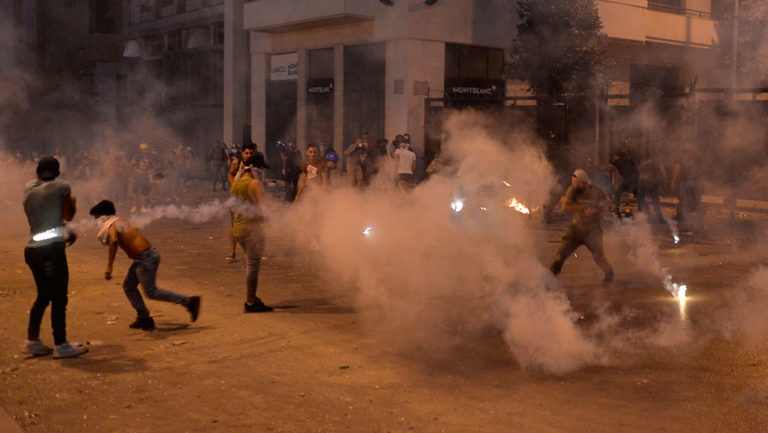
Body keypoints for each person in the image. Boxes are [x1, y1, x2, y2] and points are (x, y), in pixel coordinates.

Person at [89, 200, 201, 330]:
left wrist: (109, 266)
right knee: (129, 286)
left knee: (151, 292)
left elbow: (113, 242)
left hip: (145, 258)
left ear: (103, 216)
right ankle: (144, 317)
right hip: (144, 257)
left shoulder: (113, 226)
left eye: (96, 217)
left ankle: (189, 301)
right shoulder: (121, 222)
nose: (95, 221)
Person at [22, 156, 88, 358]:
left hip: (32, 250)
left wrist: (65, 229)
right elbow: (68, 215)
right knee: (59, 299)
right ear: (58, 173)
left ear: (37, 173)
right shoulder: (62, 186)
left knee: (43, 296)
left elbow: (48, 218)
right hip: (52, 251)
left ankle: (32, 341)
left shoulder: (28, 188)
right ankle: (61, 345)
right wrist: (72, 202)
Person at [549, 169, 614, 283]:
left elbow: (609, 206)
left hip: (593, 230)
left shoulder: (597, 191)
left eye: (577, 184)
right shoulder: (572, 190)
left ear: (584, 183)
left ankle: (609, 274)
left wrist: (596, 210)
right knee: (561, 254)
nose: (575, 186)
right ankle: (550, 277)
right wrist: (581, 207)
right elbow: (565, 208)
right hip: (577, 229)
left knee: (599, 257)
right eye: (574, 183)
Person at [229, 153, 273, 313]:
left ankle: (252, 298)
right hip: (252, 230)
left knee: (250, 264)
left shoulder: (235, 183)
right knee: (253, 266)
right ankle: (250, 302)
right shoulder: (255, 184)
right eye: (261, 168)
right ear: (257, 168)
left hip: (238, 229)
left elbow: (233, 208)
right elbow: (264, 209)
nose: (262, 172)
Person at [225, 144, 256, 262]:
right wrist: (235, 185)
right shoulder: (237, 163)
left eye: (251, 153)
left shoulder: (256, 165)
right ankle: (233, 252)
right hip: (237, 200)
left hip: (250, 200)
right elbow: (230, 174)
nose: (248, 155)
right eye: (246, 153)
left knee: (251, 227)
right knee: (234, 228)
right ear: (242, 153)